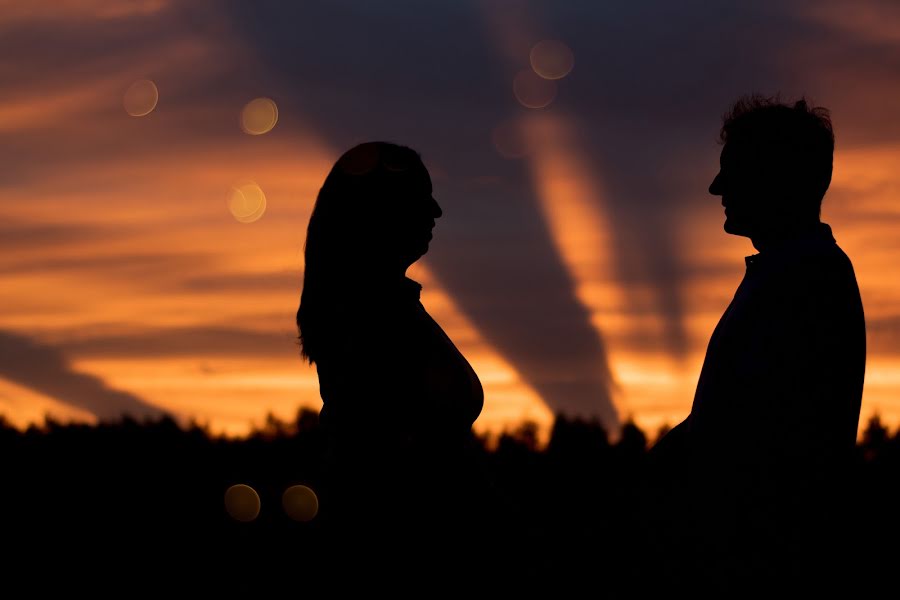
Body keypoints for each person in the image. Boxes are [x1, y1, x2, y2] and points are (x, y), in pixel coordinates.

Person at [646, 95, 866, 592]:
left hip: (764, 568)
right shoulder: (792, 273)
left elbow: (745, 430)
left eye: (733, 170)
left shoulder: (806, 279)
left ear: (775, 178)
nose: (716, 187)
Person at [296, 141, 504, 581]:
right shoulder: (369, 318)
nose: (436, 211)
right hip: (408, 561)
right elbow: (390, 466)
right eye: (420, 196)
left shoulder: (388, 307)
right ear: (380, 210)